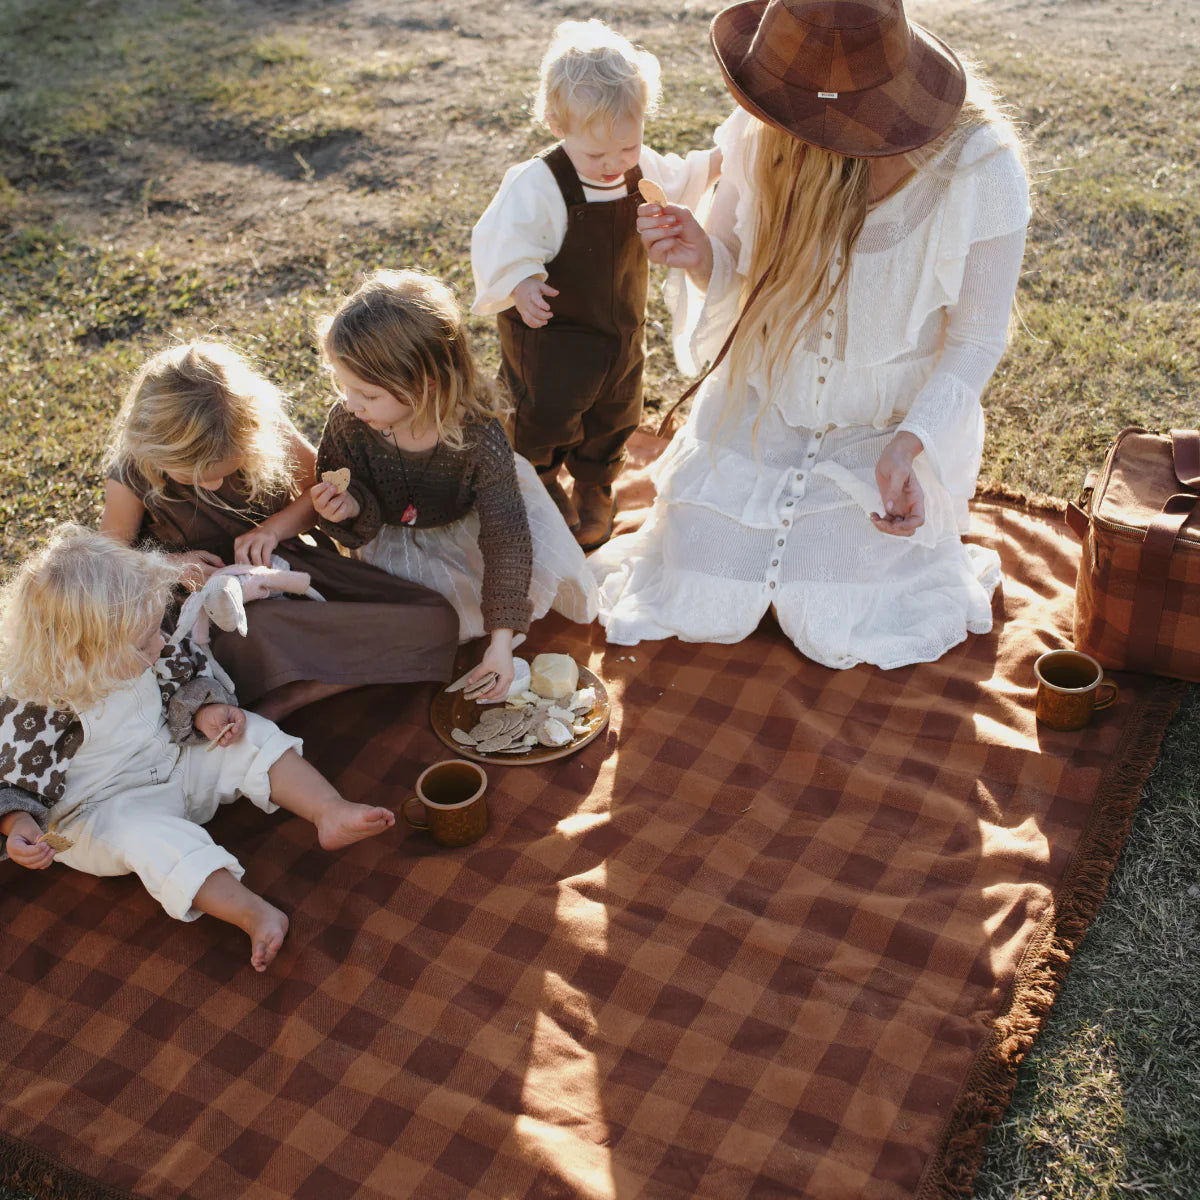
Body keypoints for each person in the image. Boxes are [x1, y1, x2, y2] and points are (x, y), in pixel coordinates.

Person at [590, 0, 1032, 669]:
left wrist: (909, 447)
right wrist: (700, 254)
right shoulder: (759, 130)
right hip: (766, 403)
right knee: (698, 575)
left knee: (842, 597)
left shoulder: (981, 170)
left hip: (882, 427)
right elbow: (735, 264)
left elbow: (975, 338)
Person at [0, 526, 396, 971]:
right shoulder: (37, 703)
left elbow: (185, 679)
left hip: (175, 755)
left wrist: (205, 712)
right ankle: (252, 912)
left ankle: (329, 810)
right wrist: (17, 827)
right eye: (143, 643)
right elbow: (14, 785)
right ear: (83, 651)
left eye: (155, 632)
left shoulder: (145, 632)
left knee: (252, 735)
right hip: (103, 809)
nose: (158, 645)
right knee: (149, 840)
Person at [99, 340, 459, 720]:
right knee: (259, 631)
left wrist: (271, 530)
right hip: (218, 617)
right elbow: (107, 564)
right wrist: (171, 566)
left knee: (436, 619)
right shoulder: (133, 474)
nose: (207, 485)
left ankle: (299, 689)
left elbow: (315, 492)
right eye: (191, 476)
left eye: (221, 471)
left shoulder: (259, 427)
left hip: (290, 578)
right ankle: (300, 684)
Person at [470, 18, 722, 550]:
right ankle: (538, 477)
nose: (613, 166)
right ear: (559, 126)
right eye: (597, 155)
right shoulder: (538, 183)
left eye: (627, 149)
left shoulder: (640, 167)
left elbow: (686, 176)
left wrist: (725, 160)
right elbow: (503, 240)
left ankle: (595, 481)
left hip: (619, 330)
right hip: (551, 334)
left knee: (617, 408)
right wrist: (520, 282)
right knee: (546, 412)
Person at [309, 268, 599, 702]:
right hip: (397, 537)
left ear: (425, 385)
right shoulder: (349, 426)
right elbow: (362, 505)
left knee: (522, 574)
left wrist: (501, 642)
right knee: (422, 621)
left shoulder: (478, 438)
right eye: (344, 387)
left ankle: (493, 624)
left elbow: (505, 538)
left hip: (472, 525)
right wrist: (350, 510)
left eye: (367, 395)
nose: (350, 404)